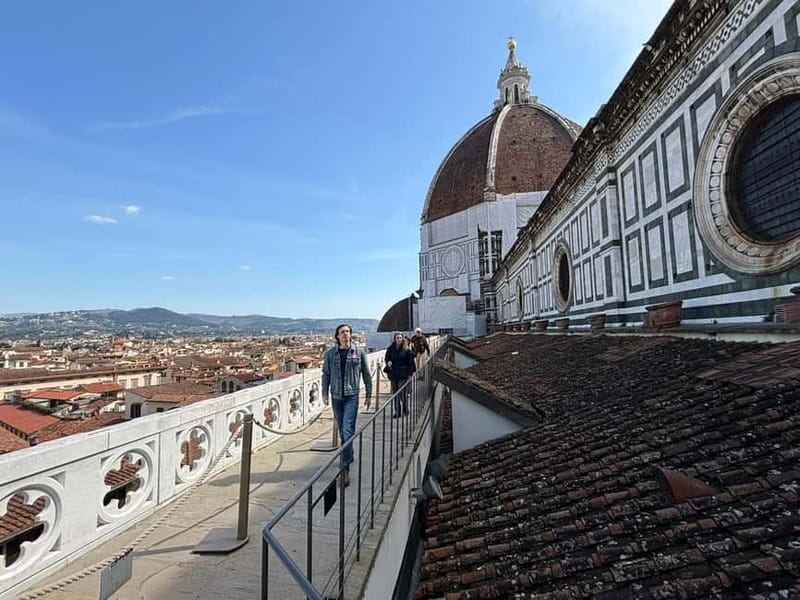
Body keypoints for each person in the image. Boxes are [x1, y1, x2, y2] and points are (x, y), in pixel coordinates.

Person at [322, 324, 372, 487]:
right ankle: (349, 454)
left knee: (347, 429)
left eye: (348, 332)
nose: (345, 334)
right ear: (337, 336)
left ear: (351, 335)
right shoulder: (330, 354)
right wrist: (324, 393)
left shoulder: (358, 352)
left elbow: (366, 373)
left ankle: (345, 469)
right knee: (344, 431)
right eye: (342, 332)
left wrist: (369, 394)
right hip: (336, 396)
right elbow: (326, 374)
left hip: (352, 396)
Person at [384, 332, 415, 417]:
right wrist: (388, 362)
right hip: (393, 373)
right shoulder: (390, 348)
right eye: (397, 338)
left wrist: (410, 374)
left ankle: (405, 409)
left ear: (402, 339)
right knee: (395, 393)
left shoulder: (406, 349)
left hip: (403, 374)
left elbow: (410, 362)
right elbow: (387, 357)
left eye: (400, 338)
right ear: (395, 339)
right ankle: (397, 412)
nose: (399, 339)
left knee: (401, 392)